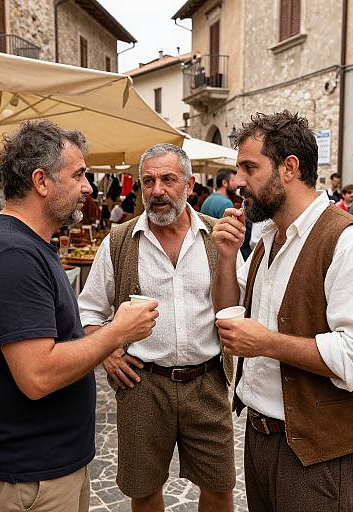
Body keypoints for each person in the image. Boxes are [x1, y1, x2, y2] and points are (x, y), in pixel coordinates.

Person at [0, 120, 158, 512]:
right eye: (79, 174)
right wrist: (117, 332)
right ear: (41, 181)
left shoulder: (25, 245)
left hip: (42, 469)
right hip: (28, 477)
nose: (88, 187)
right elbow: (38, 375)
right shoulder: (11, 255)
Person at [212, 111, 353, 512]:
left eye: (249, 167)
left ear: (289, 168)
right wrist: (225, 258)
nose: (238, 181)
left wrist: (268, 344)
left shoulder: (349, 244)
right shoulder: (267, 238)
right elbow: (230, 311)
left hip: (317, 454)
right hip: (261, 436)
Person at [78, 143, 235, 512]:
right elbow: (87, 312)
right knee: (144, 489)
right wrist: (109, 353)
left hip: (207, 382)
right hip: (142, 385)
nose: (157, 191)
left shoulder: (218, 238)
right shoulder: (118, 241)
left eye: (168, 179)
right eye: (148, 181)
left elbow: (237, 309)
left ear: (189, 184)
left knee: (219, 486)